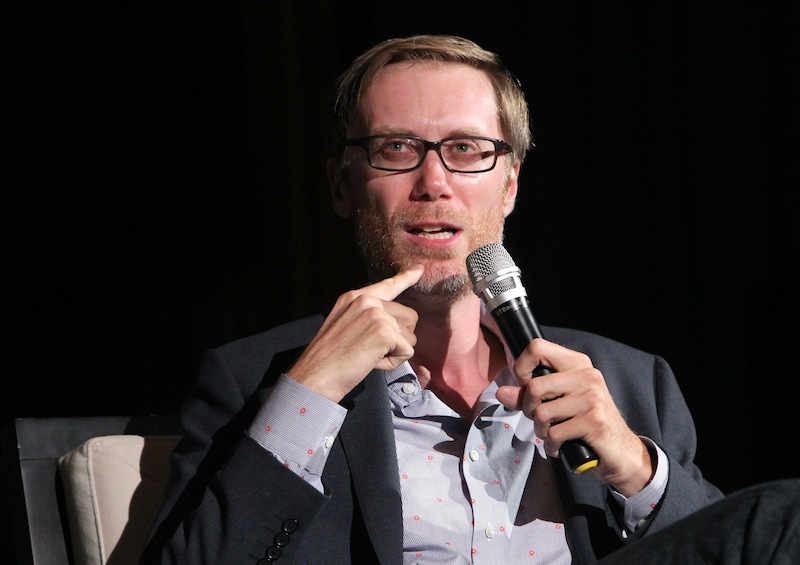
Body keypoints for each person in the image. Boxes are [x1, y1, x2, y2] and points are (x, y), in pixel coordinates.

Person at [141, 35, 800, 564]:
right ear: (343, 187)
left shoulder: (631, 381)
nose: (434, 181)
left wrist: (633, 467)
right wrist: (306, 395)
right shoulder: (254, 379)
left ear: (509, 185)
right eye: (396, 148)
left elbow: (736, 541)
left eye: (465, 150)